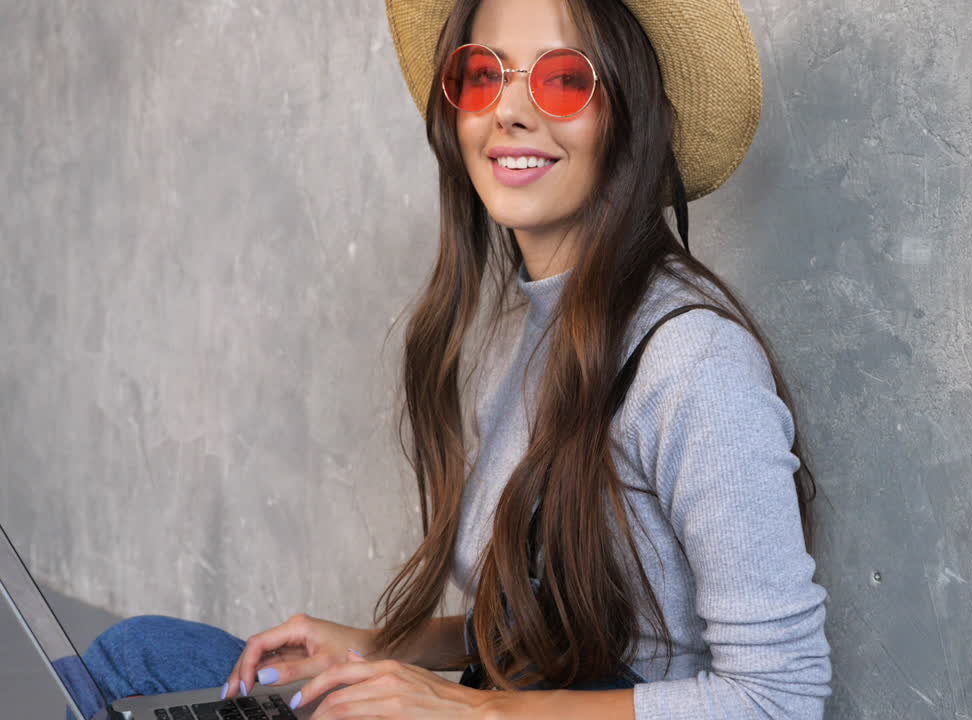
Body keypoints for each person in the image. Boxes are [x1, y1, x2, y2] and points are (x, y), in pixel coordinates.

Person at [72, 0, 832, 717]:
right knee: (144, 654)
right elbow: (547, 627)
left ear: (630, 114)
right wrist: (382, 647)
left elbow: (778, 698)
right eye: (483, 73)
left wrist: (470, 708)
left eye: (563, 78)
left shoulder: (694, 364)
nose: (510, 110)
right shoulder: (515, 336)